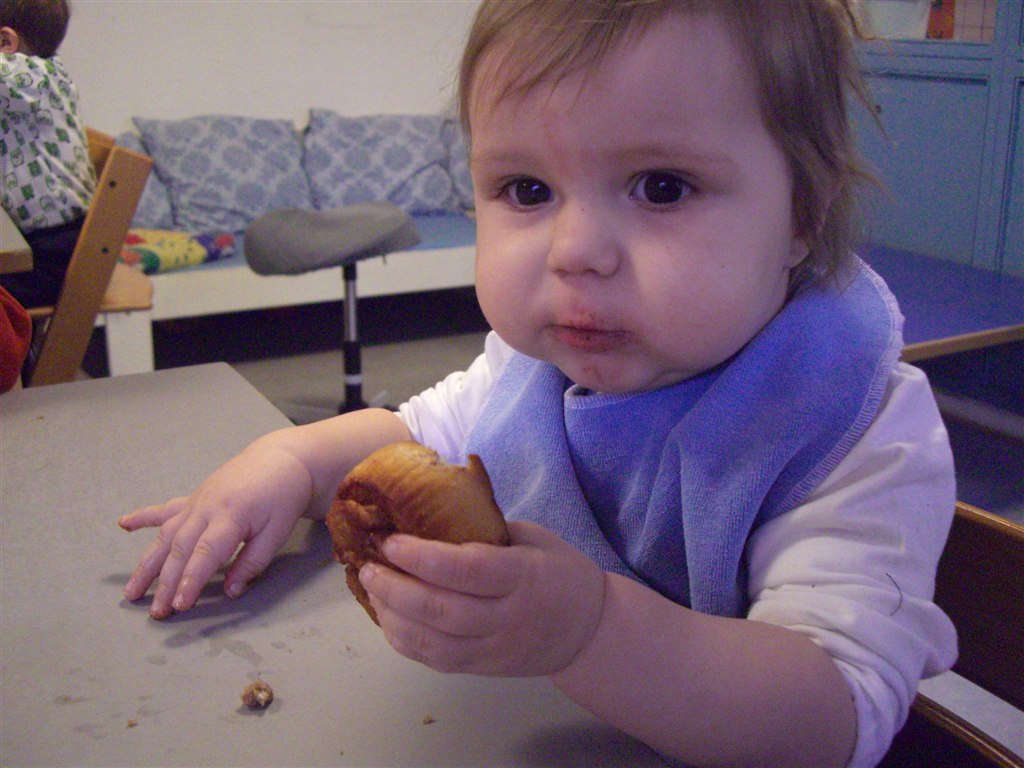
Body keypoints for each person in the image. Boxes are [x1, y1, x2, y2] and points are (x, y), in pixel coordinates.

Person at [119, 2, 958, 766]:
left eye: (662, 187)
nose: (574, 251)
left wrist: (591, 631)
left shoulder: (849, 423)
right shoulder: (533, 372)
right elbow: (415, 438)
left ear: (803, 213)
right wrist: (290, 461)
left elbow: (835, 715)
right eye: (527, 190)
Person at [0, 0, 95, 308]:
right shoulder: (39, 80)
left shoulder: (30, 78)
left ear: (6, 42)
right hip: (52, 244)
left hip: (53, 255)